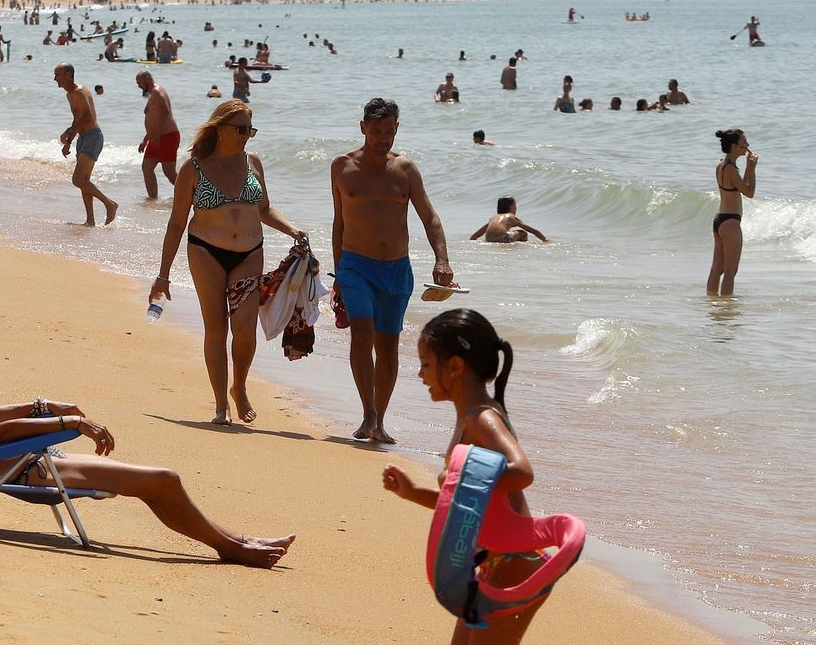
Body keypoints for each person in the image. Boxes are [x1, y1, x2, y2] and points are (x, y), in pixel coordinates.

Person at [381, 309, 617, 645]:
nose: (420, 374)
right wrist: (417, 492)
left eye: (426, 363)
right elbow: (463, 506)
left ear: (456, 366)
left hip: (516, 567)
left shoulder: (483, 419)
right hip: (491, 566)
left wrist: (462, 482)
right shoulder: (467, 418)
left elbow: (521, 471)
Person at [0, 371, 295, 567]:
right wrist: (68, 423)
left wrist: (42, 404)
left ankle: (234, 542)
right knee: (162, 481)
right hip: (35, 473)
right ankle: (234, 549)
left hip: (33, 462)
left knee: (160, 483)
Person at [151, 100, 305, 425]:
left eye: (251, 129)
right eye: (241, 129)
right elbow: (177, 223)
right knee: (217, 327)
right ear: (220, 129)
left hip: (250, 252)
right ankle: (221, 404)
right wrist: (163, 275)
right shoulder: (193, 168)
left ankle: (240, 387)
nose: (247, 135)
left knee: (245, 330)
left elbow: (264, 210)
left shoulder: (253, 162)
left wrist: (293, 229)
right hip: (205, 251)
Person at [331, 97, 456, 444]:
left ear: (397, 128)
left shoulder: (406, 170)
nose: (382, 138)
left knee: (388, 346)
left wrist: (442, 259)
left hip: (396, 271)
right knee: (362, 335)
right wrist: (339, 269)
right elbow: (339, 223)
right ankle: (367, 412)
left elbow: (429, 217)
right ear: (362, 129)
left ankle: (379, 421)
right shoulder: (342, 167)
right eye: (375, 132)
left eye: (388, 132)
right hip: (355, 265)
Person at [54, 62, 119, 226]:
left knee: (77, 179)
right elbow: (78, 119)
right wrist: (69, 140)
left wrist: (69, 131)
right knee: (84, 181)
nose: (55, 79)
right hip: (83, 137)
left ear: (68, 75)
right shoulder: (69, 95)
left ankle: (109, 204)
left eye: (58, 75)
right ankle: (90, 220)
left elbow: (89, 118)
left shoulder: (79, 92)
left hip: (93, 137)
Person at [706, 128, 758, 296]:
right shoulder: (730, 169)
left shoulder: (721, 165)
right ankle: (725, 309)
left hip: (720, 220)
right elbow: (749, 192)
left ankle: (711, 301)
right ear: (735, 146)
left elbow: (740, 187)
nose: (747, 145)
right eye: (744, 142)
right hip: (730, 222)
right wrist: (751, 167)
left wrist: (748, 167)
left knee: (717, 269)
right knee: (730, 271)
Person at [137, 69, 180, 199]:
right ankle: (152, 200)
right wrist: (145, 139)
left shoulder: (157, 91)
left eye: (139, 82)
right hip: (155, 138)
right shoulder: (152, 94)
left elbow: (165, 111)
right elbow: (153, 119)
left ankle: (195, 194)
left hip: (167, 137)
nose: (138, 86)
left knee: (169, 173)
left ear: (148, 79)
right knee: (147, 167)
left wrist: (157, 134)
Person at [470, 196, 548, 244]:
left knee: (510, 233)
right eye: (515, 206)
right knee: (523, 233)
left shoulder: (493, 218)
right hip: (503, 239)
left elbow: (475, 235)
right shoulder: (511, 216)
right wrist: (545, 240)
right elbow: (533, 231)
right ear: (511, 207)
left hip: (489, 240)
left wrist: (471, 240)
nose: (516, 208)